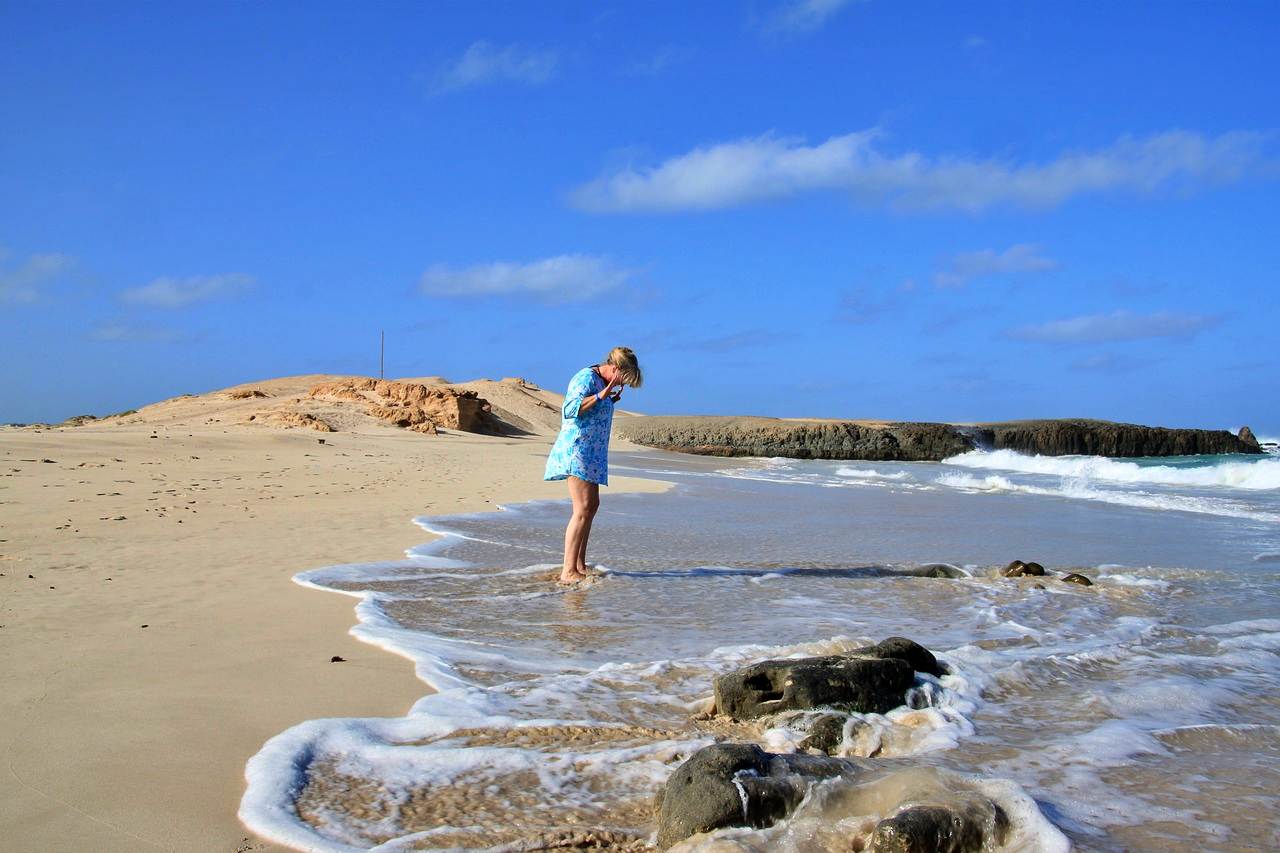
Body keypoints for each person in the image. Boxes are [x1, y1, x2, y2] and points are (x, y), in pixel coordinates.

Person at [544, 346, 643, 585]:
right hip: (577, 450)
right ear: (616, 369)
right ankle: (568, 571)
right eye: (625, 379)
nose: (624, 384)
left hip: (593, 453)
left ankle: (579, 564)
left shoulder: (602, 383)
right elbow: (569, 410)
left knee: (591, 506)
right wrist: (600, 396)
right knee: (582, 508)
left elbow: (593, 410)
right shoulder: (586, 377)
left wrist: (607, 398)